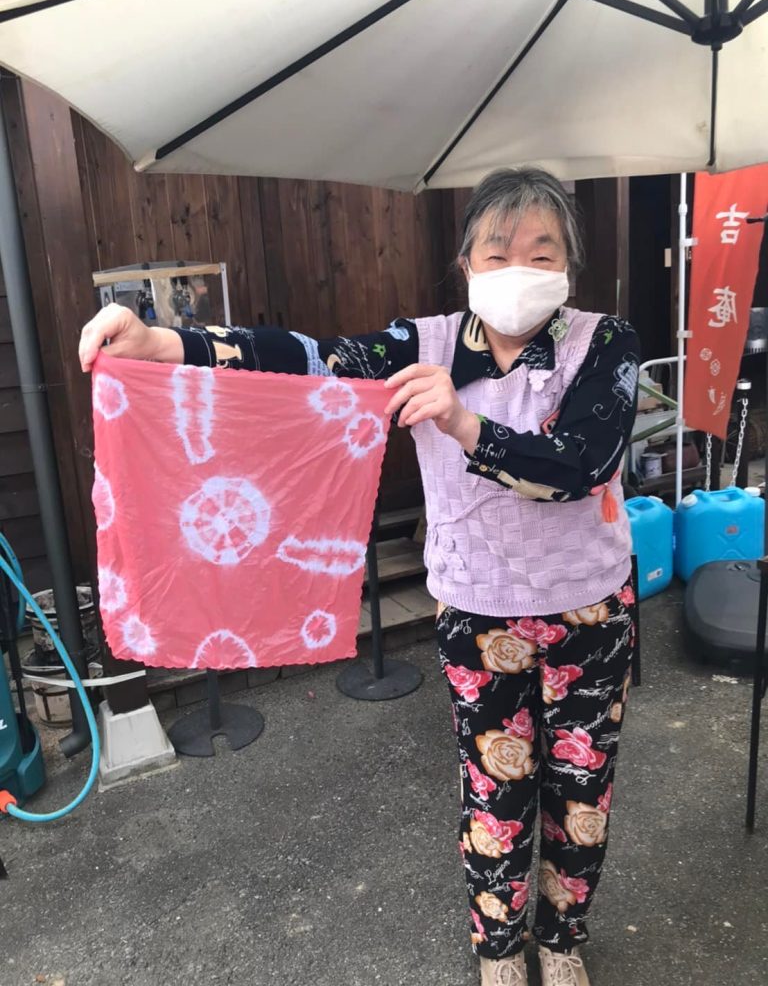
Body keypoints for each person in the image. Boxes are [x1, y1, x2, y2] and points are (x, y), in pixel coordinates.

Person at [79, 167, 640, 986]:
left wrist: (462, 422)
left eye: (541, 250)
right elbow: (315, 356)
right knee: (496, 789)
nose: (519, 267)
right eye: (497, 251)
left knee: (581, 792)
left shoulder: (605, 342)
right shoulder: (427, 344)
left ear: (569, 267)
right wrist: (169, 345)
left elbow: (580, 465)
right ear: (466, 264)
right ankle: (497, 947)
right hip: (478, 614)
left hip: (589, 611)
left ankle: (561, 939)